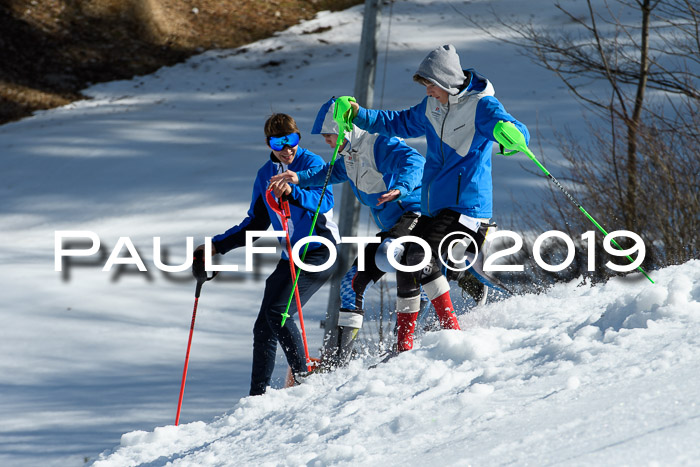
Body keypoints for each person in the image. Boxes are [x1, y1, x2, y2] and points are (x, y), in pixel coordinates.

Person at [335, 44, 530, 352]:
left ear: (447, 80)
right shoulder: (431, 107)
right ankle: (404, 346)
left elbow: (510, 126)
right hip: (435, 210)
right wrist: (359, 115)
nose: (427, 90)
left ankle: (450, 331)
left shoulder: (482, 105)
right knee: (408, 258)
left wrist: (514, 135)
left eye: (430, 84)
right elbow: (395, 122)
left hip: (468, 209)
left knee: (418, 257)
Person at [270, 97, 426, 367]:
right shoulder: (349, 154)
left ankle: (407, 342)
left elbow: (414, 161)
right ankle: (341, 362)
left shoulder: (377, 143)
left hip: (415, 216)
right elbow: (332, 173)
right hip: (392, 226)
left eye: (329, 135)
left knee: (397, 258)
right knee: (350, 283)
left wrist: (401, 187)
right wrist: (299, 178)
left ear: (344, 130)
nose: (327, 142)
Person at [195, 113, 339, 395]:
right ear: (268, 143)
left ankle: (303, 378)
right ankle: (257, 396)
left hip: (319, 250)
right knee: (263, 326)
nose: (287, 150)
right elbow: (256, 222)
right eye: (279, 143)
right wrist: (216, 245)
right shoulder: (265, 175)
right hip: (290, 257)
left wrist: (293, 192)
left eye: (292, 141)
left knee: (279, 313)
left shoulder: (311, 164)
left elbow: (324, 201)